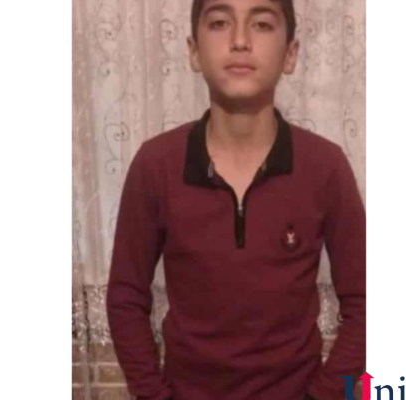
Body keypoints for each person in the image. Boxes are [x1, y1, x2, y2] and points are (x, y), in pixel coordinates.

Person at [106, 0, 366, 399]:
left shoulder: (325, 166)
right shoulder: (155, 165)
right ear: (194, 51)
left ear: (290, 54)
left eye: (261, 24)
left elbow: (367, 302)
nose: (240, 40)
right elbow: (126, 298)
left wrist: (325, 395)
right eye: (219, 22)